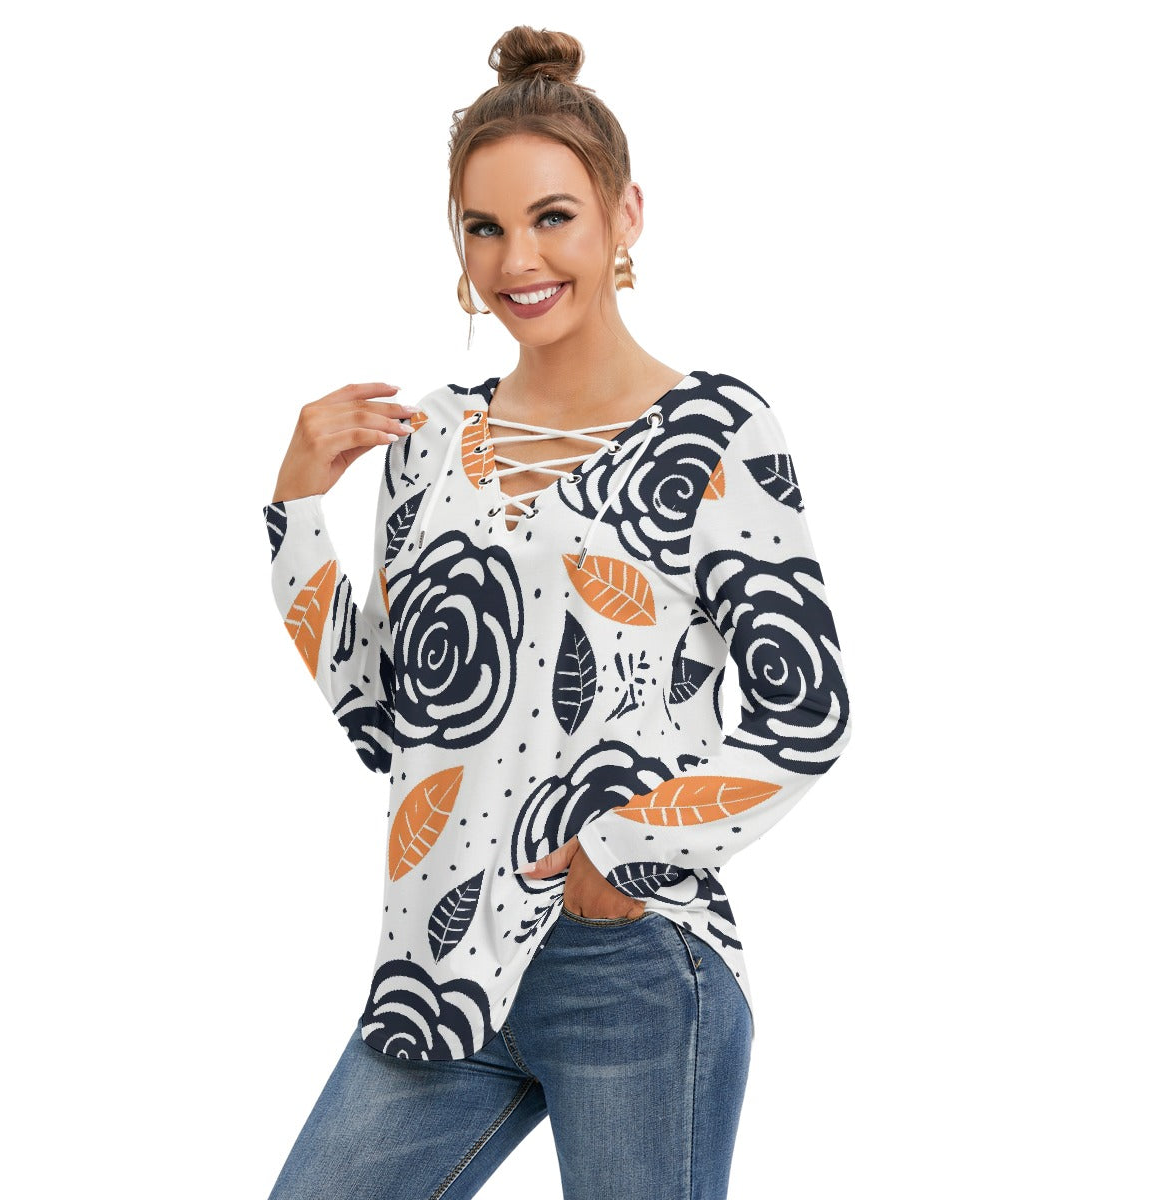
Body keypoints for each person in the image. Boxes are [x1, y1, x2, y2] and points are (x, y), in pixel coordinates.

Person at [260, 23, 852, 1200]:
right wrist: (295, 514)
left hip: (627, 960)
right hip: (437, 968)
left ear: (626, 215)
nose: (517, 258)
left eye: (552, 216)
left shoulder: (717, 432)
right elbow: (393, 719)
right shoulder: (428, 444)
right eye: (483, 226)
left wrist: (619, 854)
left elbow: (808, 714)